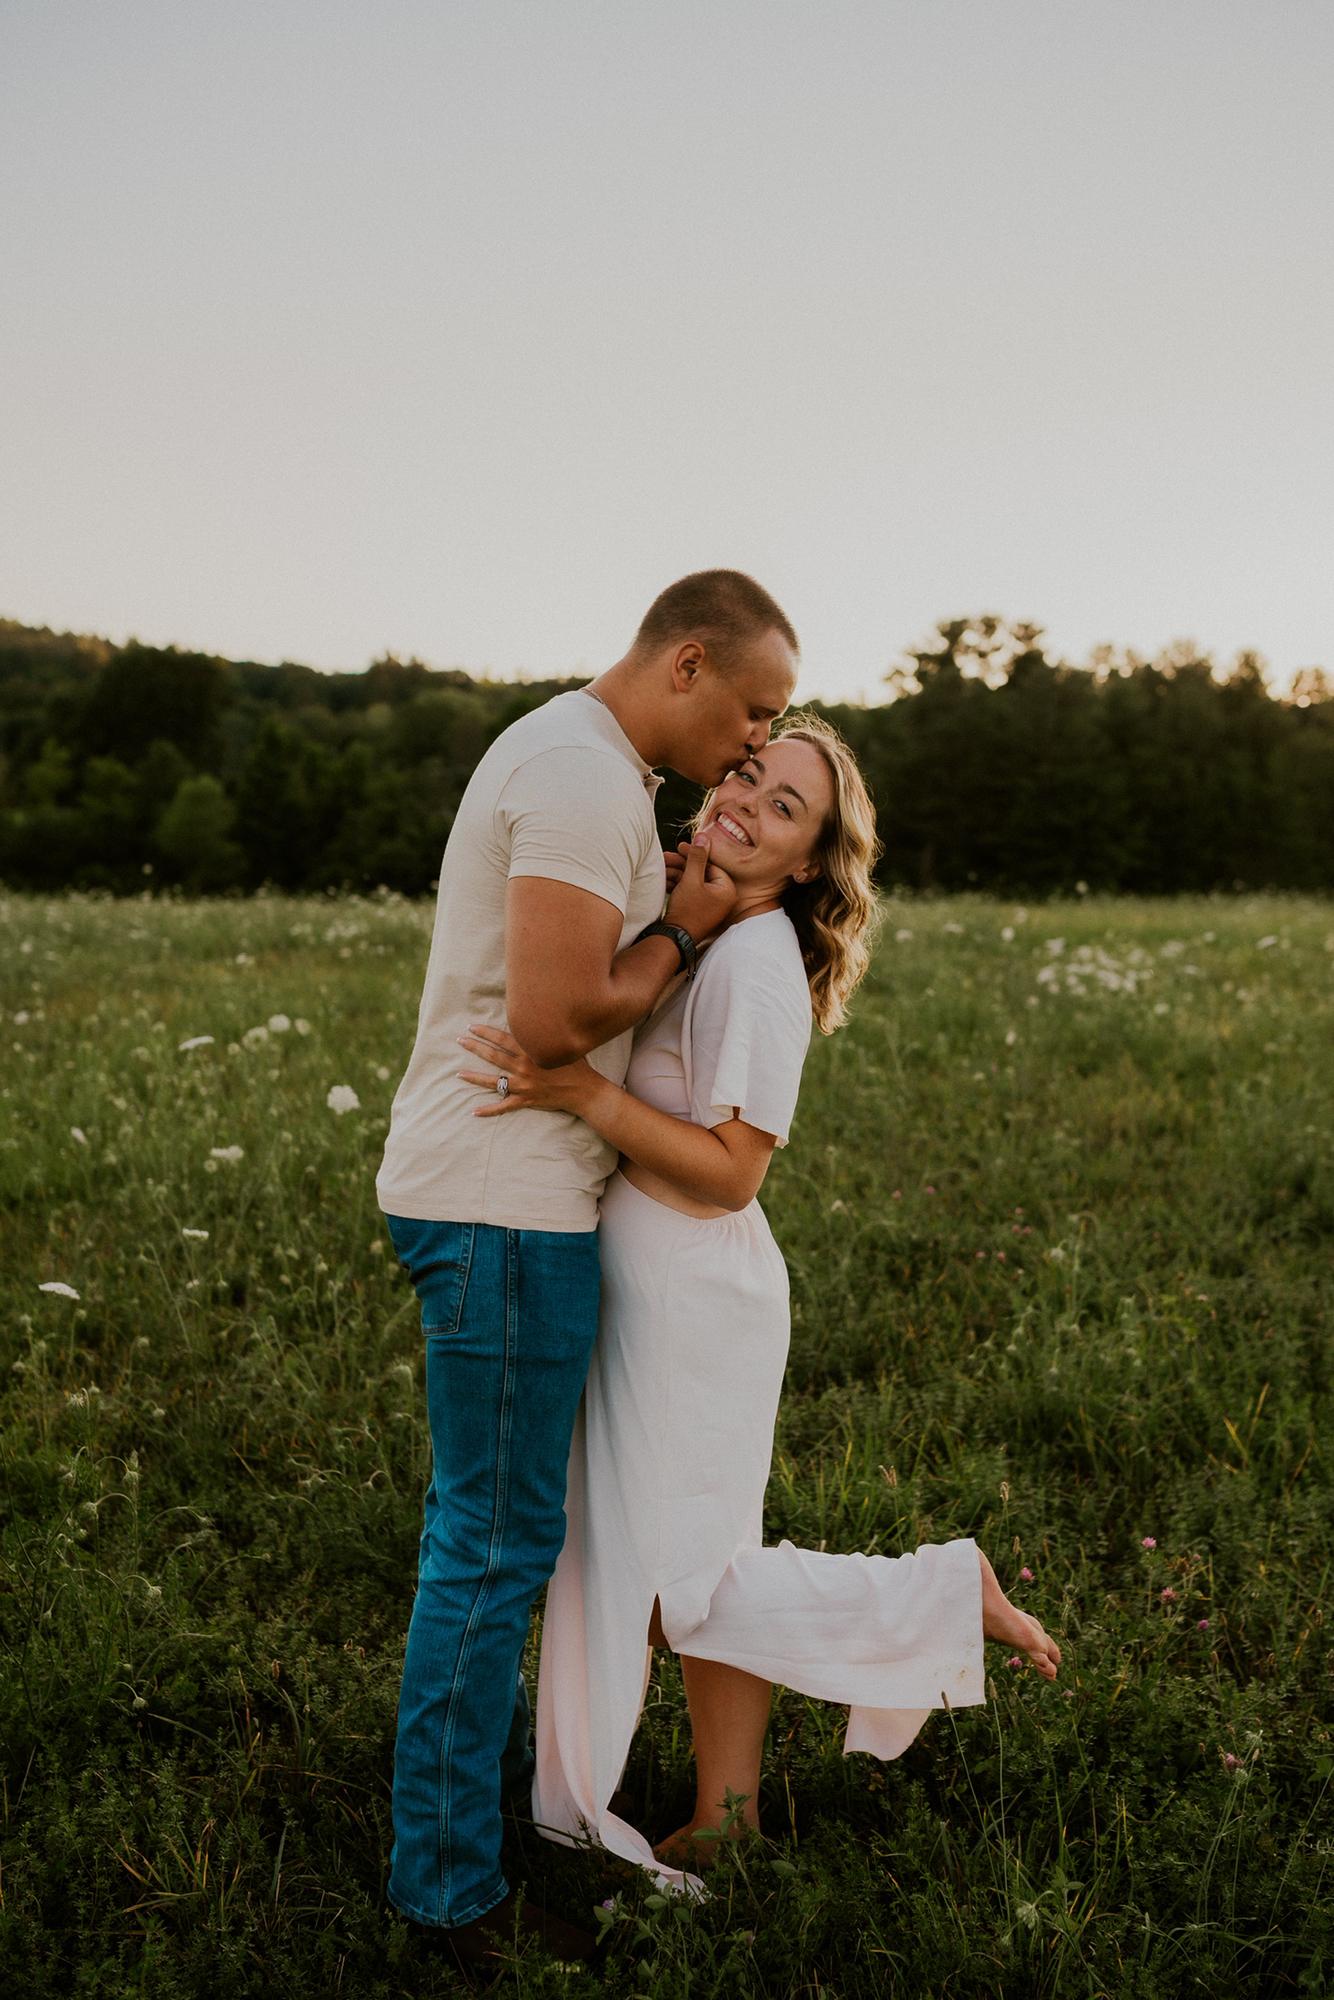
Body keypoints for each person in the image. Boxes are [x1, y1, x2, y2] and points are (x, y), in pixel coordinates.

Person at [456, 715, 1061, 1892]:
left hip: (692, 1297)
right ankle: (727, 1811)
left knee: (678, 1583)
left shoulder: (756, 960)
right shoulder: (701, 929)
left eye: (784, 804)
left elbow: (734, 1166)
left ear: (804, 863)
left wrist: (576, 1089)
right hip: (663, 1286)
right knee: (689, 1559)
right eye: (747, 771)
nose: (744, 799)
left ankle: (936, 1588)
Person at [374, 570, 799, 1967]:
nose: (751, 745)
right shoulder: (579, 776)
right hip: (503, 1203)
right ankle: (445, 1898)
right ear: (686, 662)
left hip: (514, 1200)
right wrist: (685, 925)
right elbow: (554, 1024)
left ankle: (488, 1837)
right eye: (753, 709)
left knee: (502, 1544)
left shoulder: (591, 767)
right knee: (490, 1551)